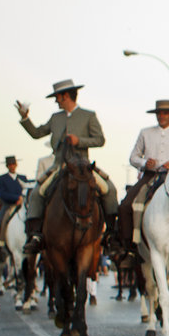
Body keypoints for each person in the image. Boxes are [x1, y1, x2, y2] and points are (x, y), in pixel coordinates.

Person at [17, 79, 114, 252]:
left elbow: (100, 140)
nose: (56, 101)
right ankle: (36, 235)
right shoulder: (55, 118)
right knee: (37, 192)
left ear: (66, 96)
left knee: (109, 189)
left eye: (57, 97)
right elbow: (37, 133)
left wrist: (80, 141)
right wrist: (25, 118)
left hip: (83, 166)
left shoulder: (88, 115)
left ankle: (112, 234)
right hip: (59, 166)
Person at [126, 100, 169, 244]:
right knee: (127, 204)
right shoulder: (145, 133)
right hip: (150, 176)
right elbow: (133, 157)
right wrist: (144, 163)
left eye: (165, 113)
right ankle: (130, 245)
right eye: (159, 113)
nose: (162, 116)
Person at [0, 156, 25, 255]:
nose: (12, 166)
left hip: (22, 204)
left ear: (16, 165)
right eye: (10, 165)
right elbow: (2, 194)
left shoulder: (22, 178)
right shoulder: (1, 178)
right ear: (7, 166)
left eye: (13, 164)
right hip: (9, 205)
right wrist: (16, 198)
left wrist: (22, 198)